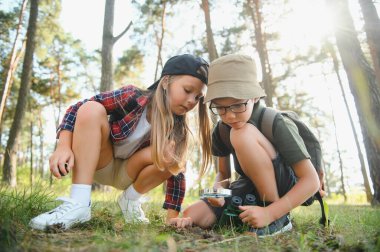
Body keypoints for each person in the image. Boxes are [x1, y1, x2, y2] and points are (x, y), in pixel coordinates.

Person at [29, 54, 212, 230]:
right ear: (165, 82)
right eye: (187, 91)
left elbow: (176, 174)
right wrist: (63, 146)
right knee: (91, 108)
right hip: (100, 163)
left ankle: (130, 200)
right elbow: (77, 108)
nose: (191, 101)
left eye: (198, 98)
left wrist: (172, 218)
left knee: (173, 155)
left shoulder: (177, 130)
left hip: (129, 175)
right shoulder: (131, 96)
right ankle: (79, 203)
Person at [169, 54, 320, 237]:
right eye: (220, 108)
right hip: (248, 188)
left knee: (241, 134)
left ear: (255, 97)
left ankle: (278, 218)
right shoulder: (222, 130)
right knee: (191, 214)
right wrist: (218, 190)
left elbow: (311, 181)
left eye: (237, 105)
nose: (230, 116)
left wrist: (269, 213)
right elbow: (224, 174)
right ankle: (245, 213)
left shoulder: (275, 122)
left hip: (282, 190)